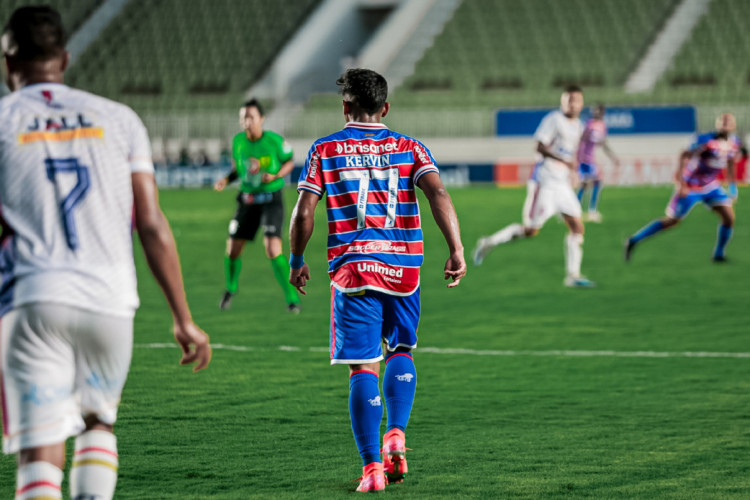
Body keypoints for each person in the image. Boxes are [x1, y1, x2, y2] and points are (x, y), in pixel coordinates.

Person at [0, 7, 212, 500]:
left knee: (41, 450)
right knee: (99, 423)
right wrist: (183, 317)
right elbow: (152, 224)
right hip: (111, 302)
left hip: (34, 297)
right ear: (65, 59)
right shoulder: (119, 119)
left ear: (8, 61)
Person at [288, 68, 466, 492]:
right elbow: (438, 194)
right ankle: (397, 434)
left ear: (345, 105)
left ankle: (372, 470)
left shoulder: (325, 148)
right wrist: (456, 249)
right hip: (404, 268)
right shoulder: (410, 147)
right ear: (385, 108)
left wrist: (296, 258)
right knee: (401, 349)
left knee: (362, 366)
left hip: (355, 270)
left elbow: (304, 211)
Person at [473, 85, 595, 288]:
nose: (573, 104)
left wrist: (574, 173)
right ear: (562, 101)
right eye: (569, 100)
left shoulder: (579, 126)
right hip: (544, 182)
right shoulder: (553, 120)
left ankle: (572, 275)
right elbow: (539, 146)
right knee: (531, 230)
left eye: (577, 101)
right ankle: (488, 243)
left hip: (562, 184)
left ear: (582, 104)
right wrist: (565, 161)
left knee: (577, 226)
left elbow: (572, 155)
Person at [214, 99, 301, 312]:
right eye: (243, 117)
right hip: (247, 200)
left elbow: (290, 161)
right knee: (233, 249)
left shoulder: (274, 141)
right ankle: (230, 289)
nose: (247, 121)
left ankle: (291, 298)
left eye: (251, 117)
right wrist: (226, 179)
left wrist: (276, 175)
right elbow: (239, 169)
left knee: (273, 249)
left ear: (261, 119)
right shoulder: (238, 142)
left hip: (271, 199)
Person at [625, 113, 739, 262]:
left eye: (728, 121)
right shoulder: (706, 140)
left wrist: (732, 186)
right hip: (691, 185)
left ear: (734, 125)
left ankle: (718, 255)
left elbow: (730, 163)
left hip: (711, 186)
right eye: (722, 121)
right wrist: (681, 183)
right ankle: (634, 240)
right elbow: (684, 155)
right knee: (672, 221)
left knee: (729, 217)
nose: (725, 123)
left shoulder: (734, 143)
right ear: (717, 124)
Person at [576, 104, 619, 222]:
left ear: (603, 113)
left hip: (591, 159)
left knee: (590, 184)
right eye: (595, 110)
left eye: (599, 111)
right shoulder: (588, 124)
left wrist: (612, 157)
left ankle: (585, 210)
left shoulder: (602, 126)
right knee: (590, 183)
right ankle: (586, 210)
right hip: (583, 159)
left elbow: (603, 143)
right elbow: (580, 139)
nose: (596, 113)